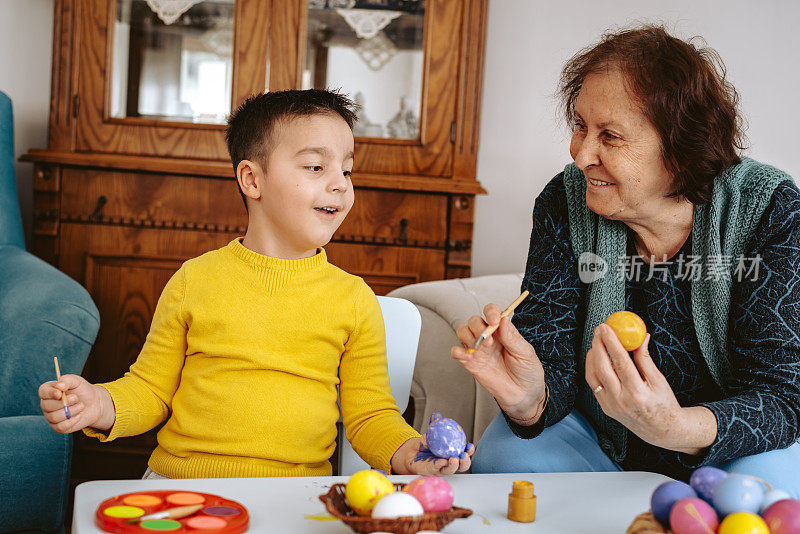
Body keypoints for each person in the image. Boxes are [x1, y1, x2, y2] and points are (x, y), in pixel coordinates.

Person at [38, 89, 473, 479]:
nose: (340, 184)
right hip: (182, 486)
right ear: (252, 180)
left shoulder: (353, 299)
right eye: (316, 166)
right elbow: (150, 390)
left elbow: (370, 416)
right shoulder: (195, 280)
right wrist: (98, 404)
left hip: (294, 496)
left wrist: (409, 450)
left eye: (347, 170)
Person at [453, 25, 800, 496]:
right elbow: (551, 360)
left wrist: (674, 427)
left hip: (726, 445)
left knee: (760, 495)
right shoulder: (564, 203)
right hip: (601, 443)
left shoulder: (772, 212)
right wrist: (530, 400)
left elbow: (783, 399)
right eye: (579, 125)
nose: (580, 154)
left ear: (682, 147)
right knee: (503, 458)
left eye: (610, 136)